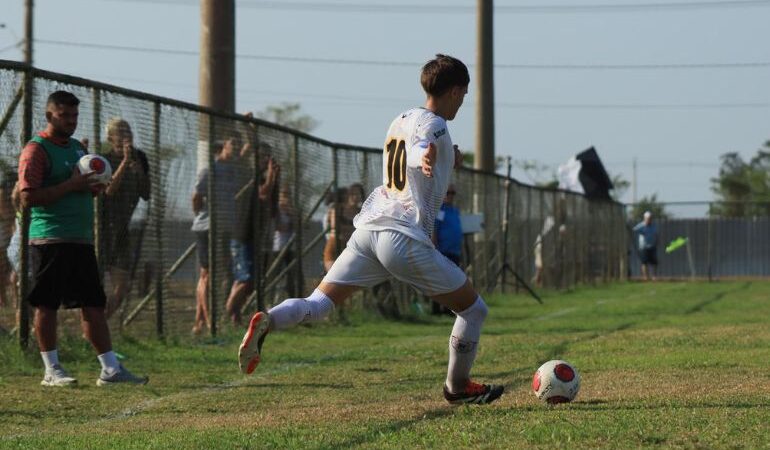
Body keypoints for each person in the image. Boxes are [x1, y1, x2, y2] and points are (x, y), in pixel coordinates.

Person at [239, 55, 504, 405]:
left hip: (369, 231)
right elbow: (420, 147)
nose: (463, 101)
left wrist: (444, 157)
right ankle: (457, 387)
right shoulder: (435, 125)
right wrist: (426, 155)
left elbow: (417, 148)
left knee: (319, 303)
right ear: (455, 91)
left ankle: (268, 320)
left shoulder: (401, 118)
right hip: (403, 237)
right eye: (464, 94)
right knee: (474, 310)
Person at [17, 90, 147, 386]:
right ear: (50, 115)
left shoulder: (77, 148)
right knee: (47, 305)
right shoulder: (36, 150)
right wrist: (72, 184)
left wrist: (93, 186)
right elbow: (28, 197)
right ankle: (52, 370)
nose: (71, 121)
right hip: (49, 240)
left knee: (93, 304)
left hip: (81, 241)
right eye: (65, 116)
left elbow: (84, 188)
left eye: (75, 116)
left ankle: (111, 370)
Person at [101, 118, 151, 319]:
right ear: (111, 138)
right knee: (93, 289)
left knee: (122, 287)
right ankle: (92, 329)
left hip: (123, 229)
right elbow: (109, 191)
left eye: (128, 131)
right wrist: (124, 163)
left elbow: (146, 194)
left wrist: (138, 170)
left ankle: (101, 324)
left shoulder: (140, 158)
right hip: (102, 228)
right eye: (121, 132)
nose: (126, 135)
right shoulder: (105, 160)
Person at [431, 184, 462, 315]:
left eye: (452, 193)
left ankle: (450, 309)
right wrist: (435, 249)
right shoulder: (439, 210)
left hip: (454, 251)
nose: (450, 196)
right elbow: (434, 231)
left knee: (453, 281)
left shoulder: (454, 211)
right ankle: (437, 309)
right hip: (442, 251)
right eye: (448, 193)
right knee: (439, 280)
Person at [323, 184, 364, 272]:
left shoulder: (362, 212)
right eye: (352, 194)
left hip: (353, 252)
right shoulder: (337, 209)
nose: (355, 197)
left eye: (358, 194)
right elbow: (337, 228)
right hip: (335, 248)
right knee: (335, 276)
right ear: (347, 196)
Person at [633, 211, 659, 281]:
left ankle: (654, 277)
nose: (649, 220)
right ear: (644, 218)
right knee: (644, 262)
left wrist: (656, 242)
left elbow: (656, 235)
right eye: (647, 218)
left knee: (654, 263)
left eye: (650, 218)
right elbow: (634, 229)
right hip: (643, 247)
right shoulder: (641, 226)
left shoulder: (653, 226)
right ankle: (646, 277)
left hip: (652, 246)